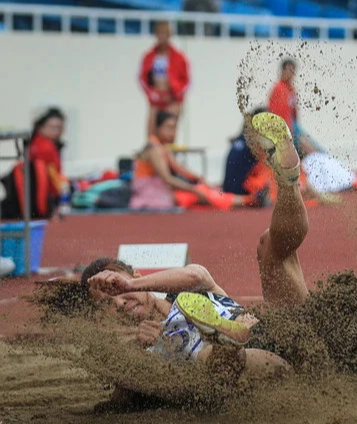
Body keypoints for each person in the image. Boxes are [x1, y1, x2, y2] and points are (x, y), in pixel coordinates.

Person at [43, 112, 306, 388]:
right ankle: (223, 343)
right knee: (210, 362)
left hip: (281, 333)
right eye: (108, 303)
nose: (119, 300)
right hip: (255, 371)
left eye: (116, 290)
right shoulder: (134, 348)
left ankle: (289, 183)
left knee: (269, 244)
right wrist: (138, 351)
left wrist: (129, 284)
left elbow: (198, 276)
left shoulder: (178, 290)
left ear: (134, 274)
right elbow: (120, 388)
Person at [129, 111, 252, 210]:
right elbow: (167, 179)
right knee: (199, 194)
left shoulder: (162, 147)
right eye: (169, 127)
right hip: (152, 194)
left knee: (204, 191)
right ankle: (247, 201)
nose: (173, 133)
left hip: (161, 190)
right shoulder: (154, 148)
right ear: (158, 128)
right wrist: (194, 189)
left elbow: (180, 169)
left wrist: (199, 179)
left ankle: (246, 200)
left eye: (175, 128)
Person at [1, 107, 68, 219]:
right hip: (37, 197)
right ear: (41, 127)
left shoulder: (36, 142)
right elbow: (52, 178)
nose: (56, 131)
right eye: (52, 127)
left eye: (59, 127)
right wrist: (57, 201)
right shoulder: (46, 147)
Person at [139, 21, 190, 137]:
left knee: (168, 134)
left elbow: (186, 82)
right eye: (160, 33)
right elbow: (142, 79)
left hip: (172, 101)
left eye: (165, 34)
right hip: (156, 101)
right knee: (152, 136)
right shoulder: (149, 56)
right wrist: (153, 94)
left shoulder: (179, 57)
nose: (162, 37)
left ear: (169, 35)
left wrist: (175, 95)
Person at [268, 59, 325, 157]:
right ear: (283, 70)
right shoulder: (278, 88)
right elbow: (277, 112)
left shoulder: (291, 89)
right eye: (289, 70)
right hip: (284, 128)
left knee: (315, 149)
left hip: (293, 126)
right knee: (311, 150)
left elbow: (293, 112)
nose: (291, 74)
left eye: (293, 71)